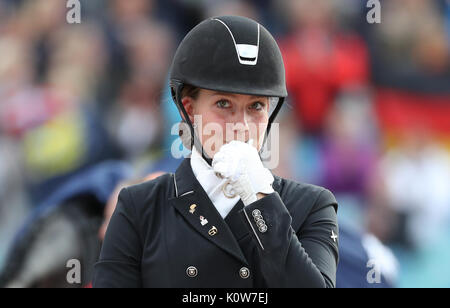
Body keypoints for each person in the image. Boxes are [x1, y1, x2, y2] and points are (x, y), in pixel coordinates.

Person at [93, 15, 339, 288]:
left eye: (256, 106)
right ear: (189, 109)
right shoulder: (138, 207)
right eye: (224, 104)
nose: (241, 125)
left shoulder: (312, 206)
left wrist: (259, 197)